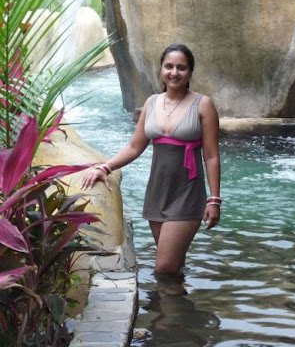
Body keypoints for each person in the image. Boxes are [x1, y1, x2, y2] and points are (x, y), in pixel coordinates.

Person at [81, 43, 221, 275]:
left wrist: (214, 199)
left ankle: (169, 308)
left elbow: (211, 155)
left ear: (190, 72)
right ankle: (177, 307)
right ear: (161, 70)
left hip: (187, 194)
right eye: (169, 66)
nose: (174, 72)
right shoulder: (152, 102)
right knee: (172, 267)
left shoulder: (202, 104)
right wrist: (105, 167)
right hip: (157, 193)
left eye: (181, 67)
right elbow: (135, 147)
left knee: (164, 267)